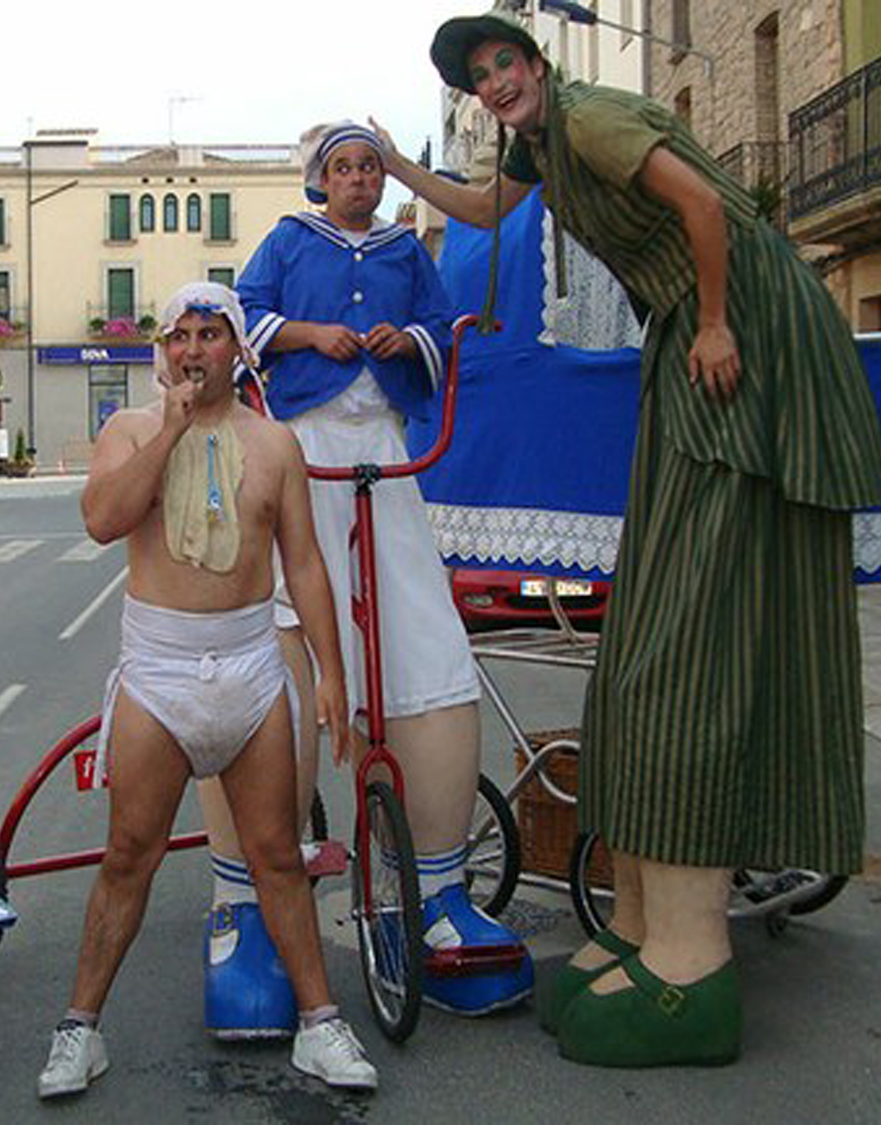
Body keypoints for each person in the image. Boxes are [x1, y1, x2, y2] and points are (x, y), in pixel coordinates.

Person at [381, 11, 881, 1067]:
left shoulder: (592, 119)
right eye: (479, 78)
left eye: (503, 63)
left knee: (681, 649)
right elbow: (484, 208)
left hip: (740, 330)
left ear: (536, 64)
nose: (494, 83)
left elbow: (702, 201)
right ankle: (648, 926)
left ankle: (693, 962)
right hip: (685, 340)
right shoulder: (542, 148)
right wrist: (396, 167)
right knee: (638, 656)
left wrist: (711, 321)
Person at [201, 121, 530, 1040]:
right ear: (320, 179)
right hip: (297, 451)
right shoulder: (288, 240)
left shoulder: (401, 250)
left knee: (424, 640)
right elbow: (247, 315)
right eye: (343, 167)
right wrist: (312, 333)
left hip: (385, 456)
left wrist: (400, 340)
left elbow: (437, 326)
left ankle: (438, 891)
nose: (357, 180)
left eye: (369, 167)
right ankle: (247, 904)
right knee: (267, 648)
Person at [37, 283, 378, 1099]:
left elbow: (304, 564)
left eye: (210, 334)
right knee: (130, 854)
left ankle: (321, 1023)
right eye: (180, 335)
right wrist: (171, 429)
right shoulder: (129, 430)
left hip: (251, 669)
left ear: (238, 349)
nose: (193, 349)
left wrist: (332, 673)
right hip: (159, 673)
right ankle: (79, 1028)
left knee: (276, 855)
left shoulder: (275, 443)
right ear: (164, 350)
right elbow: (102, 518)